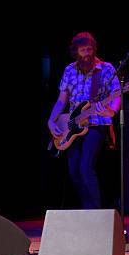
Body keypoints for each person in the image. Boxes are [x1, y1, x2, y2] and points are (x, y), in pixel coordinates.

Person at [47, 32, 120, 209]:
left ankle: (95, 213)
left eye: (89, 49)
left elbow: (117, 95)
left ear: (94, 49)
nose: (86, 53)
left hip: (96, 124)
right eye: (82, 50)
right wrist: (51, 120)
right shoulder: (69, 70)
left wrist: (111, 111)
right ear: (76, 52)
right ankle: (85, 210)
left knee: (86, 168)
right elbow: (62, 99)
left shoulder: (106, 69)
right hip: (72, 125)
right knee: (73, 171)